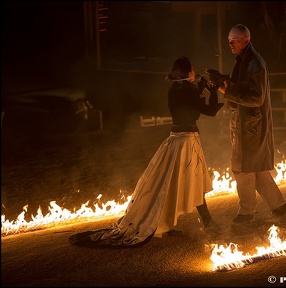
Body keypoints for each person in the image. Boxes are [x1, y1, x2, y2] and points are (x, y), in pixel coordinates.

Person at [69, 56, 224, 246]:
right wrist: (214, 91)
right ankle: (207, 223)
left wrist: (200, 88)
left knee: (171, 183)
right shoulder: (188, 89)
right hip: (188, 140)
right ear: (188, 71)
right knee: (194, 180)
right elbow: (209, 111)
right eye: (192, 69)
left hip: (175, 139)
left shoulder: (174, 89)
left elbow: (188, 103)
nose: (194, 71)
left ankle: (170, 222)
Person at [217, 24, 286, 225]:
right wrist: (227, 85)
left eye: (235, 39)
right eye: (229, 39)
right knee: (255, 166)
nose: (230, 43)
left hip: (249, 124)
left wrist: (228, 92)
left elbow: (256, 98)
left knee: (242, 168)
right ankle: (279, 205)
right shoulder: (245, 60)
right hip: (246, 121)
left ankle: (247, 212)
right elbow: (246, 90)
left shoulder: (253, 63)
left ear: (246, 40)